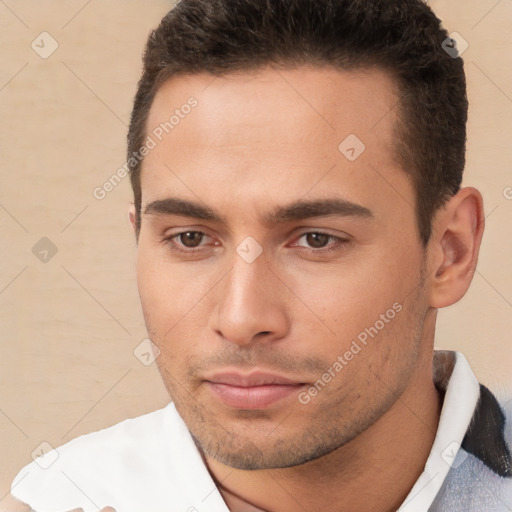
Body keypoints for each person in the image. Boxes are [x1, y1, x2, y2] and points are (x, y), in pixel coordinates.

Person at [6, 0, 512, 510]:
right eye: (190, 238)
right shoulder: (63, 495)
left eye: (317, 239)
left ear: (450, 251)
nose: (242, 319)